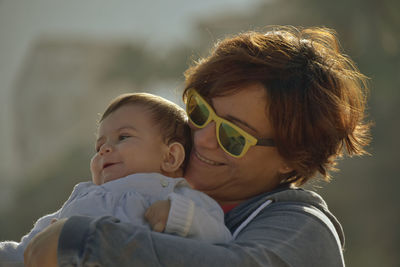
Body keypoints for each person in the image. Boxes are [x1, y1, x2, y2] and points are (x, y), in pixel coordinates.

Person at [24, 26, 371, 267]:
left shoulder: (303, 230)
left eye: (233, 137)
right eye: (200, 111)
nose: (202, 137)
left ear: (291, 159)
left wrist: (83, 241)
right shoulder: (149, 189)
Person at [0, 93, 232, 265]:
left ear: (170, 157)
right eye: (100, 145)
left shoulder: (172, 195)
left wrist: (177, 214)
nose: (105, 150)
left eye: (123, 137)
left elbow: (219, 237)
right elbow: (28, 248)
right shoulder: (84, 194)